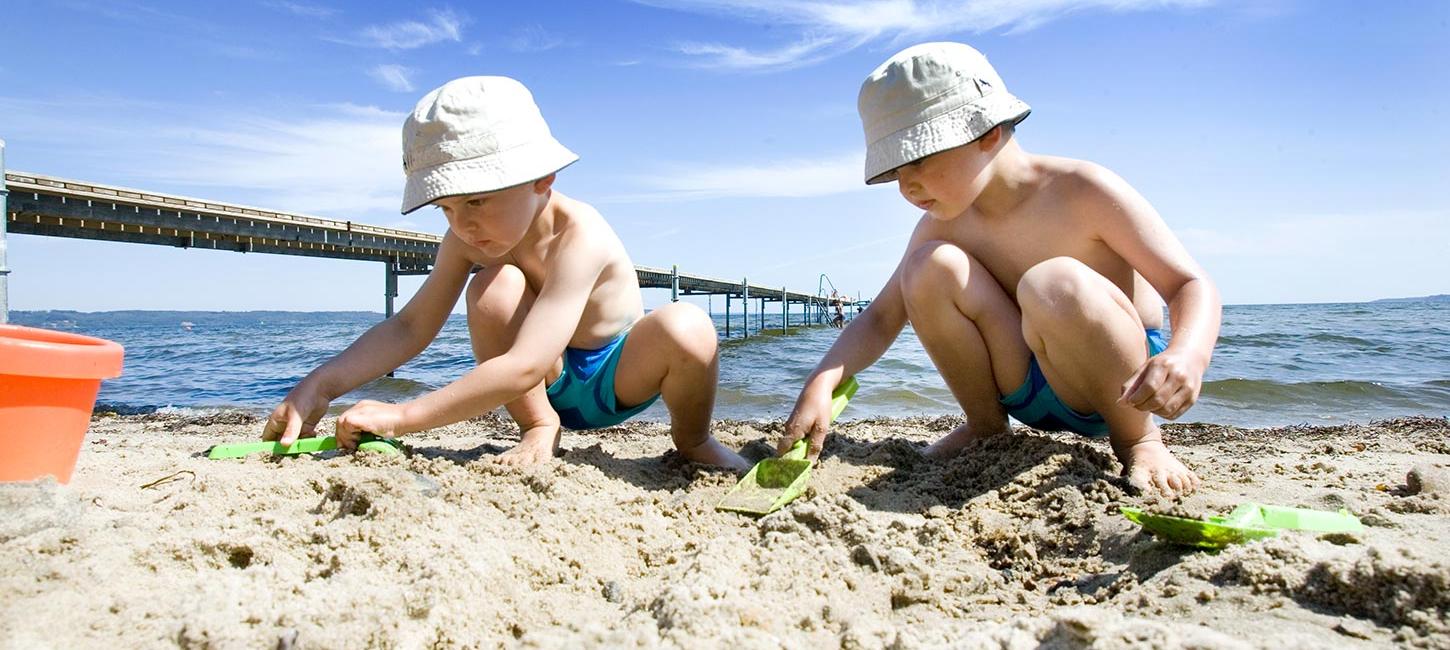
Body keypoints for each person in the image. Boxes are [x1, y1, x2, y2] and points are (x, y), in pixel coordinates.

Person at [779, 43, 1221, 495]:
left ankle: (1139, 441)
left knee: (1054, 283)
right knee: (928, 267)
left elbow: (1188, 282)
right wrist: (825, 378)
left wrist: (1188, 354)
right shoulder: (941, 227)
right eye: (895, 171)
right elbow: (880, 317)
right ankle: (986, 428)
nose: (907, 185)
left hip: (1118, 387)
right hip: (1023, 386)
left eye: (918, 159)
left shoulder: (1081, 190)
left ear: (988, 131)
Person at [263, 76, 750, 471]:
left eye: (476, 200)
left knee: (687, 326)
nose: (464, 224)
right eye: (446, 208)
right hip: (540, 385)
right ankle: (539, 426)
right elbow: (411, 326)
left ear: (542, 179)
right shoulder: (466, 238)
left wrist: (404, 415)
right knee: (494, 286)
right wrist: (318, 386)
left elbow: (524, 363)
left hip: (616, 376)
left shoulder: (580, 237)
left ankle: (694, 440)